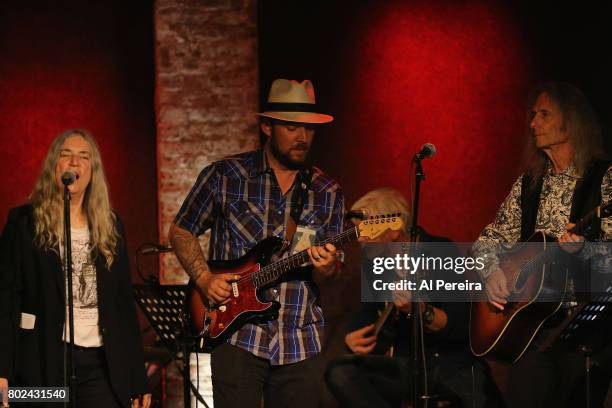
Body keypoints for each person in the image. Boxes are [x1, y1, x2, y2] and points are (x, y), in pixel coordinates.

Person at [169, 79, 344, 407]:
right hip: (238, 336)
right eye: (292, 128)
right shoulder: (225, 176)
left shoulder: (328, 192)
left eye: (309, 129)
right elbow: (181, 230)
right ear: (267, 126)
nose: (302, 138)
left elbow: (330, 274)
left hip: (300, 339)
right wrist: (205, 279)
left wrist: (327, 266)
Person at [473, 82, 612, 407]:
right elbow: (486, 240)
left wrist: (585, 252)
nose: (533, 123)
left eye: (544, 114)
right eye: (533, 115)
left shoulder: (605, 178)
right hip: (531, 330)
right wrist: (492, 274)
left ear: (571, 120)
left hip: (587, 331)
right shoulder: (529, 184)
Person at [0, 129, 150, 408]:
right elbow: (6, 302)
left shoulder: (110, 226)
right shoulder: (23, 224)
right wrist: (2, 373)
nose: (74, 162)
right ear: (54, 166)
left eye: (83, 156)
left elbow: (123, 305)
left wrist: (138, 379)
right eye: (66, 155)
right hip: (43, 366)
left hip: (101, 368)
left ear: (92, 171)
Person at [325, 188, 497, 408]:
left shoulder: (439, 251)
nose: (361, 239)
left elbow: (461, 326)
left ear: (394, 229)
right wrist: (352, 334)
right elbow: (367, 311)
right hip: (404, 364)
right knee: (340, 373)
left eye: (367, 230)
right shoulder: (373, 262)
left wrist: (420, 310)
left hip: (446, 364)